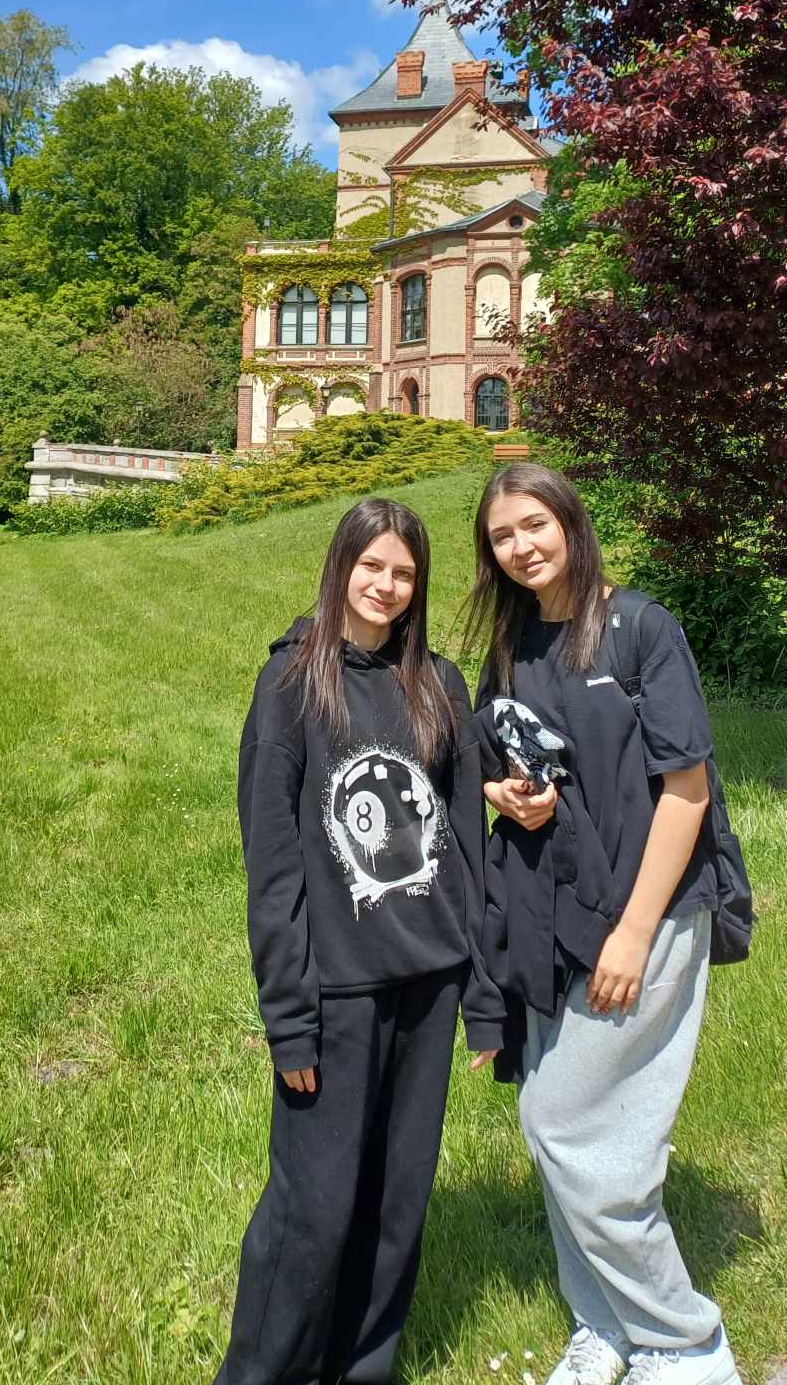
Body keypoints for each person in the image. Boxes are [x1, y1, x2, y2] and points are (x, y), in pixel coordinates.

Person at [215, 496, 504, 1385]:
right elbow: (272, 864)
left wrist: (484, 997)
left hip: (430, 984)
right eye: (372, 566)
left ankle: (361, 1369)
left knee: (395, 1204)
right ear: (341, 566)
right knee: (312, 1210)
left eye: (404, 572)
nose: (386, 585)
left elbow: (468, 846)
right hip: (335, 990)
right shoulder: (292, 684)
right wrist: (289, 1016)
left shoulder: (439, 686)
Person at [464, 462, 742, 1385]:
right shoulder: (514, 641)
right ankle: (605, 1327)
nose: (521, 547)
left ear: (571, 523)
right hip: (553, 913)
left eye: (534, 525)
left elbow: (687, 791)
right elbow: (495, 752)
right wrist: (505, 794)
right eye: (503, 537)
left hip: (645, 916)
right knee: (566, 1135)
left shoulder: (640, 629)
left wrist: (634, 930)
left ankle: (686, 1343)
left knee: (566, 1123)